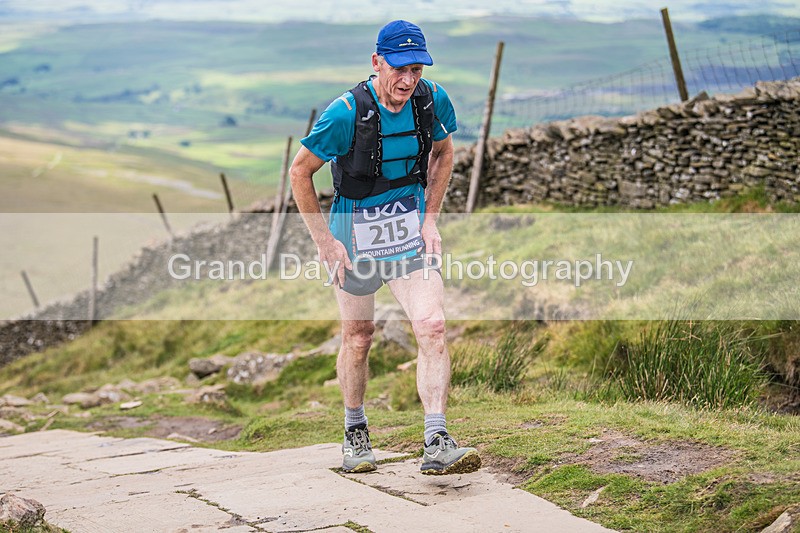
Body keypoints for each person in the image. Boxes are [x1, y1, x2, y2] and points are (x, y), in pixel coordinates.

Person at [289, 20, 480, 476]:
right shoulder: (344, 113)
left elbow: (444, 153)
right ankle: (355, 432)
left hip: (409, 233)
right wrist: (326, 242)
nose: (408, 80)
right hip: (353, 240)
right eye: (399, 69)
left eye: (416, 69)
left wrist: (430, 219)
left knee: (432, 325)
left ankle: (436, 438)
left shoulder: (432, 100)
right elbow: (300, 172)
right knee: (359, 337)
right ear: (377, 62)